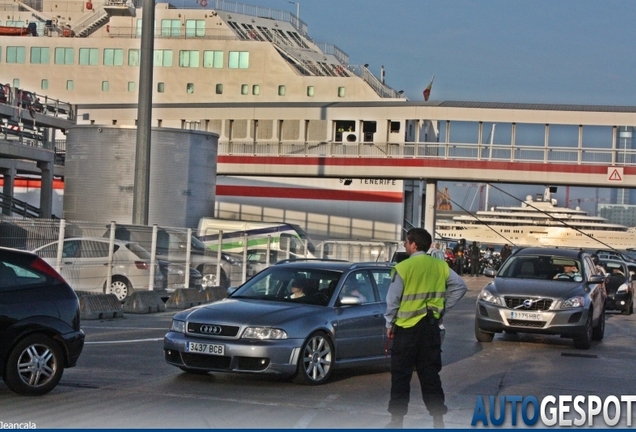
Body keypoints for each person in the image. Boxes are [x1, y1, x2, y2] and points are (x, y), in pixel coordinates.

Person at [384, 228, 467, 429]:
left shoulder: (404, 267)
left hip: (406, 330)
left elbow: (393, 300)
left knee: (401, 376)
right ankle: (438, 419)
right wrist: (443, 307)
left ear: (414, 244)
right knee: (430, 375)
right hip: (430, 329)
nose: (405, 245)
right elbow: (460, 287)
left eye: (406, 242)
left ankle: (397, 421)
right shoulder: (440, 266)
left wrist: (389, 323)